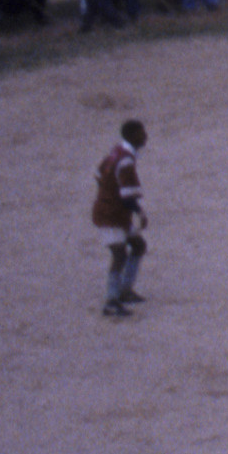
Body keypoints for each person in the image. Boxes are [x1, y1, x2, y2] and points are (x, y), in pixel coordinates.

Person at [91, 117, 149, 317]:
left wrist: (106, 195)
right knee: (120, 253)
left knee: (138, 245)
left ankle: (125, 291)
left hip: (112, 212)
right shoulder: (126, 160)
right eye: (142, 133)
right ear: (133, 136)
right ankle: (112, 300)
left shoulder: (117, 151)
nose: (145, 137)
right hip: (112, 215)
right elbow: (127, 197)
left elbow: (99, 175)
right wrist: (140, 213)